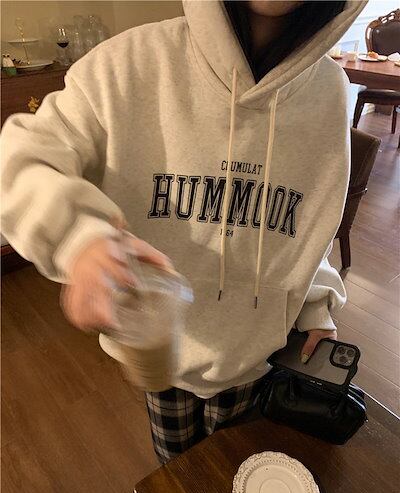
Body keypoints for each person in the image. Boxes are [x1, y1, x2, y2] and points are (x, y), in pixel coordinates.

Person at [1, 0, 367, 463]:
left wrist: (316, 305)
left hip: (261, 354)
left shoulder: (330, 92)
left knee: (237, 476)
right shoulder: (125, 64)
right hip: (163, 348)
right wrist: (79, 237)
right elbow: (23, 158)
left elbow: (307, 223)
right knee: (177, 474)